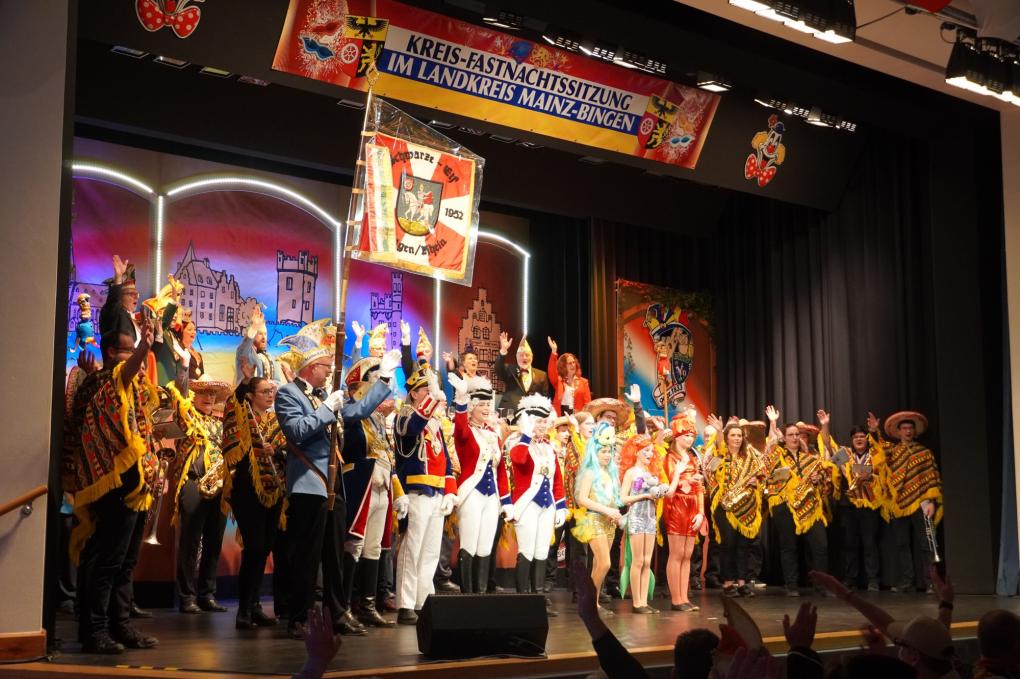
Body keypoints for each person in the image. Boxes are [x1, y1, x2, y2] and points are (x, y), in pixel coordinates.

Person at [275, 320, 399, 639]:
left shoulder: (324, 395)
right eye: (324, 366)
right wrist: (326, 410)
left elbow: (358, 411)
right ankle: (299, 617)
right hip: (309, 484)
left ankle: (338, 613)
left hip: (334, 485)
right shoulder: (288, 394)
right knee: (307, 557)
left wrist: (385, 378)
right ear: (309, 368)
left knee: (335, 556)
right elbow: (297, 431)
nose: (329, 371)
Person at [65, 319, 159, 654]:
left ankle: (120, 624)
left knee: (125, 561)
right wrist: (145, 348)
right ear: (109, 352)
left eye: (134, 350)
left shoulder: (124, 384)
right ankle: (95, 630)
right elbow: (125, 373)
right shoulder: (104, 380)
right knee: (107, 559)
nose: (132, 357)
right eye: (126, 350)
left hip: (135, 484)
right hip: (113, 483)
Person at [339, 356, 403, 629]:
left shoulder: (376, 418)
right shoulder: (348, 409)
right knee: (353, 545)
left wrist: (397, 491)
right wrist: (384, 379)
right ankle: (344, 606)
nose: (379, 387)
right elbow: (358, 414)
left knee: (374, 547)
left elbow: (386, 454)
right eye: (374, 381)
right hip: (359, 484)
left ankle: (367, 605)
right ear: (359, 385)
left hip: (380, 486)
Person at [392, 364, 458, 624]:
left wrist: (449, 491)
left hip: (436, 493)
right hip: (416, 491)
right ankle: (406, 604)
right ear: (413, 393)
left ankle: (422, 601)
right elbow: (413, 426)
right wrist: (434, 398)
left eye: (430, 390)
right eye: (425, 390)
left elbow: (446, 461)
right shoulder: (405, 416)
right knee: (412, 549)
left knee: (430, 551)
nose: (429, 394)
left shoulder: (436, 425)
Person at [221, 374, 287, 629]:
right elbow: (233, 402)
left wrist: (276, 451)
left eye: (271, 391)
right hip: (248, 490)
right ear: (250, 395)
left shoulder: (276, 421)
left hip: (275, 489)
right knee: (254, 548)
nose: (270, 395)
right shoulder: (242, 417)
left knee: (265, 548)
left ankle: (256, 605)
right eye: (264, 391)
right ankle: (244, 610)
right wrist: (245, 380)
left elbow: (287, 449)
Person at [166, 363, 232, 614]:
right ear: (194, 396)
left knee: (214, 541)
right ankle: (187, 596)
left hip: (219, 484)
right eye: (203, 393)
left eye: (213, 394)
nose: (209, 397)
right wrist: (183, 367)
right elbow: (179, 399)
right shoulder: (187, 417)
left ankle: (207, 594)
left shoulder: (220, 423)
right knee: (191, 541)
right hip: (194, 482)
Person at [811, 569, 960, 679]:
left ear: (915, 657)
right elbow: (938, 633)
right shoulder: (946, 666)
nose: (895, 641)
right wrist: (946, 603)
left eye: (900, 643)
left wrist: (879, 664)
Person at [763, 406, 834, 596]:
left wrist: (819, 479)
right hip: (785, 505)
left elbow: (825, 477)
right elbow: (768, 453)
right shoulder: (777, 457)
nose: (795, 437)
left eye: (797, 434)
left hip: (810, 506)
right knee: (789, 547)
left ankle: (821, 585)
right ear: (784, 438)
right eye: (791, 435)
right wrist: (773, 423)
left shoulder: (809, 458)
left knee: (820, 545)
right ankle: (791, 585)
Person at [448, 374, 510, 594]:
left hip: (492, 496)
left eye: (488, 404)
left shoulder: (494, 434)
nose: (486, 408)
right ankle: (468, 595)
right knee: (470, 544)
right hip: (471, 493)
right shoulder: (465, 431)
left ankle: (481, 593)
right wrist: (461, 399)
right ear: (472, 406)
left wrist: (506, 501)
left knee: (485, 546)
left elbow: (500, 470)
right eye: (481, 404)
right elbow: (460, 426)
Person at [870, 410, 943, 593]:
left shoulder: (924, 452)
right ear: (899, 431)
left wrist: (932, 502)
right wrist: (874, 431)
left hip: (922, 501)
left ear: (914, 431)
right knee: (902, 544)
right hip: (899, 503)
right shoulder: (893, 451)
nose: (908, 431)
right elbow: (879, 450)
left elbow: (932, 478)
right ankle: (907, 581)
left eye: (910, 428)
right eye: (904, 428)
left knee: (927, 542)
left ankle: (931, 581)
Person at [705, 415, 769, 597]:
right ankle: (727, 583)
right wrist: (719, 430)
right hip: (723, 505)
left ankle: (741, 583)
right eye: (732, 435)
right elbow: (717, 451)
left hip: (746, 505)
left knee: (743, 545)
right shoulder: (721, 454)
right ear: (726, 438)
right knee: (728, 543)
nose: (736, 438)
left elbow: (763, 474)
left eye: (739, 435)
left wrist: (756, 481)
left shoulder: (750, 455)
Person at [821, 416, 887, 592]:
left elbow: (883, 472)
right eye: (855, 437)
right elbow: (828, 445)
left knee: (870, 544)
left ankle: (873, 580)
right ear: (852, 440)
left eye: (862, 436)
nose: (859, 439)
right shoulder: (845, 455)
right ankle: (851, 579)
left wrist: (871, 475)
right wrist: (825, 425)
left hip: (869, 505)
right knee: (850, 544)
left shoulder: (874, 455)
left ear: (866, 439)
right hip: (849, 506)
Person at [572, 422, 623, 614]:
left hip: (608, 522)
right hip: (593, 520)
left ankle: (592, 604)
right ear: (595, 452)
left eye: (609, 451)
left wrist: (614, 512)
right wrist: (606, 510)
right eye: (603, 451)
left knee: (598, 565)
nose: (607, 455)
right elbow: (582, 498)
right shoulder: (590, 472)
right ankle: (589, 603)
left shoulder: (611, 473)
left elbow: (613, 498)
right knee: (605, 563)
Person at [619, 434, 668, 613]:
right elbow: (623, 498)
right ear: (636, 452)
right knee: (638, 561)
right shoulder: (631, 472)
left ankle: (644, 602)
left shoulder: (651, 473)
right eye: (646, 451)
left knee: (647, 561)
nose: (649, 454)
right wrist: (645, 495)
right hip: (637, 518)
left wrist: (659, 492)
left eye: (651, 451)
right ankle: (636, 603)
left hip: (650, 518)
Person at [663, 410, 705, 611]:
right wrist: (687, 479)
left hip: (692, 507)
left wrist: (701, 513)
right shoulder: (670, 458)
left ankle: (684, 597)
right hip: (676, 506)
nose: (690, 439)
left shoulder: (692, 458)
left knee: (688, 554)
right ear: (677, 436)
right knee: (677, 554)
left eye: (692, 436)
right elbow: (670, 485)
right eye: (686, 435)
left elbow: (699, 488)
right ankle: (676, 599)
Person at [496, 333, 550, 413]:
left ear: (532, 357)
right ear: (517, 357)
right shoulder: (509, 369)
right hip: (510, 413)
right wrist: (503, 351)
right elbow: (498, 369)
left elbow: (545, 398)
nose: (524, 358)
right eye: (521, 355)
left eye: (527, 355)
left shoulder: (542, 375)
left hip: (532, 415)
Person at [99, 255, 141, 345]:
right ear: (120, 296)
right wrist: (118, 279)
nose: (136, 297)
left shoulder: (132, 318)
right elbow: (113, 303)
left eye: (136, 294)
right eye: (131, 294)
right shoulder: (114, 312)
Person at [546, 336, 592, 416]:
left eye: (574, 362)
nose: (573, 365)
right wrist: (554, 352)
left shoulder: (584, 382)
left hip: (578, 417)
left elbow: (588, 404)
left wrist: (584, 416)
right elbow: (552, 371)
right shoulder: (559, 381)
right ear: (564, 366)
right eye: (569, 363)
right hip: (561, 417)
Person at [236, 306, 276, 384]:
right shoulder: (243, 352)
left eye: (265, 334)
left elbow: (277, 381)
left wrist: (272, 386)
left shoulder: (271, 358)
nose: (264, 337)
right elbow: (245, 346)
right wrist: (254, 327)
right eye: (260, 334)